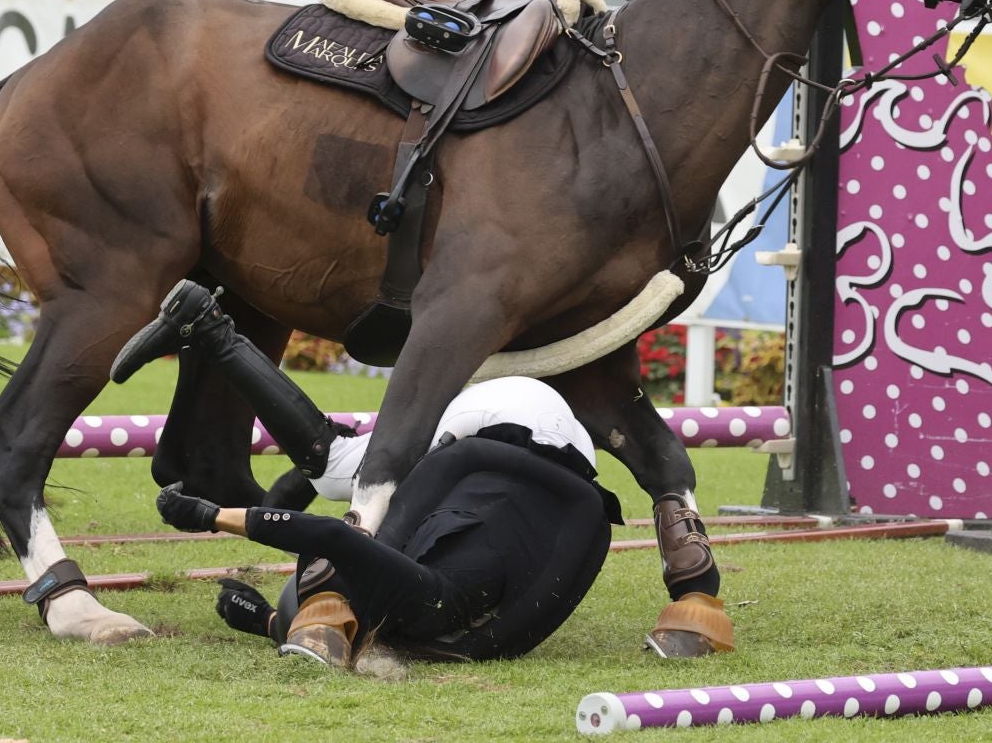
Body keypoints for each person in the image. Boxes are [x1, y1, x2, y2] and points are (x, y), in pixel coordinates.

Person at [111, 281, 625, 671]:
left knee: (340, 475)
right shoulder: (422, 606)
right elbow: (335, 537)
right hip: (502, 427)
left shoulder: (442, 631)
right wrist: (208, 516)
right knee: (342, 478)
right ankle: (209, 326)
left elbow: (588, 532)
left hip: (564, 458)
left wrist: (265, 620)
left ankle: (213, 332)